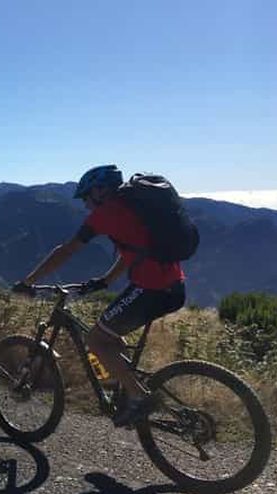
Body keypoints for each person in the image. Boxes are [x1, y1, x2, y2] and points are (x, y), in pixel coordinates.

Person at [14, 165, 186, 427]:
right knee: (110, 335)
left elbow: (67, 250)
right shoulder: (132, 210)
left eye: (86, 198)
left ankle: (140, 398)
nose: (85, 205)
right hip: (171, 286)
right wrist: (105, 281)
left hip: (152, 288)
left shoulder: (107, 213)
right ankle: (128, 389)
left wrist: (28, 282)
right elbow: (133, 252)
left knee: (95, 339)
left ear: (100, 191)